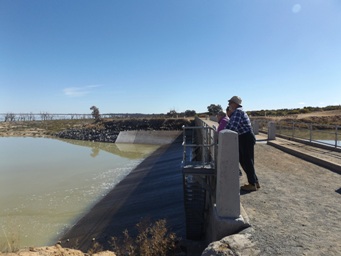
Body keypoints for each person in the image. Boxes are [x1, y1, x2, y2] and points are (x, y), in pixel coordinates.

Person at [225, 96, 260, 191]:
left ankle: (252, 184)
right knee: (245, 160)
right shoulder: (236, 113)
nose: (229, 104)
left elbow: (232, 127)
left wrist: (223, 136)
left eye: (230, 102)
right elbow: (229, 125)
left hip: (246, 137)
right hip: (243, 137)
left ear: (235, 104)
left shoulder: (238, 112)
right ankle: (255, 182)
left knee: (247, 161)